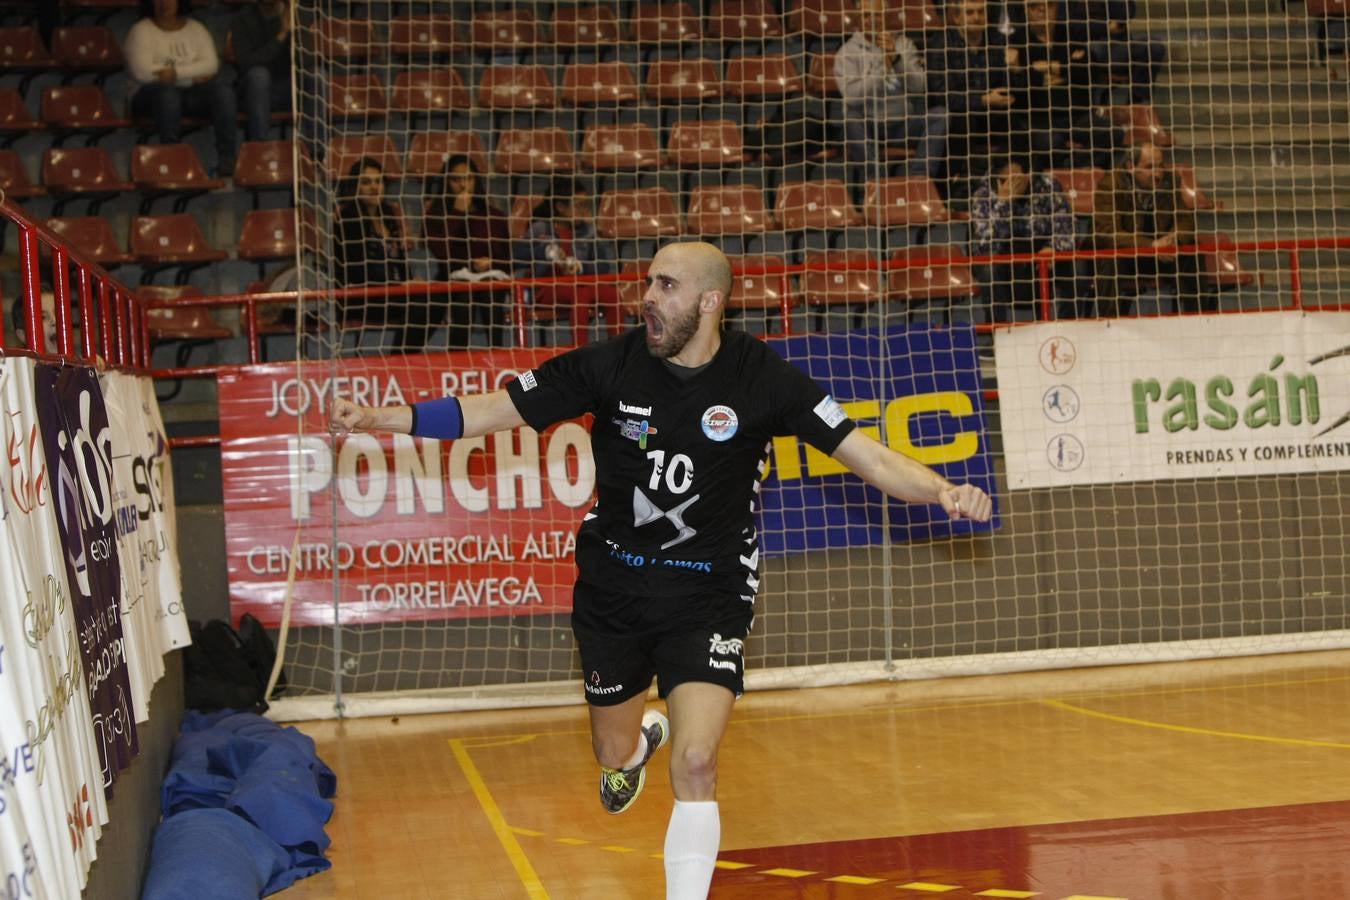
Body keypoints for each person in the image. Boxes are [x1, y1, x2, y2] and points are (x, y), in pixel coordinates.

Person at [328, 240, 994, 900]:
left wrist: (941, 491)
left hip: (710, 589)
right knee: (611, 756)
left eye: (666, 286)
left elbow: (870, 458)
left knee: (698, 761)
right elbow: (493, 410)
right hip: (615, 585)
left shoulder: (765, 379)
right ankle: (638, 745)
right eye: (648, 282)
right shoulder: (609, 365)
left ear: (709, 302)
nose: (647, 296)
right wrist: (383, 417)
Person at [1091, 141, 1211, 315]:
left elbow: (1185, 220)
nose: (1157, 174)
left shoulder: (1170, 180)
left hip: (1162, 254)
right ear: (1131, 166)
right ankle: (1108, 321)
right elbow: (1109, 233)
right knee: (1109, 257)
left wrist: (1173, 239)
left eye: (1160, 166)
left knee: (1192, 250)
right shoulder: (1109, 185)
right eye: (1149, 167)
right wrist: (1152, 245)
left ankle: (1199, 317)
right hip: (1128, 255)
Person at [834, 0, 948, 177]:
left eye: (877, 15)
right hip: (869, 125)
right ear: (858, 18)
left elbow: (919, 87)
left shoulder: (904, 44)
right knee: (851, 118)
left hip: (903, 123)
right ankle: (877, 183)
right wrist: (882, 68)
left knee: (940, 115)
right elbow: (851, 97)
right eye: (866, 15)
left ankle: (918, 179)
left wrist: (895, 59)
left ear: (886, 16)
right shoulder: (846, 52)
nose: (872, 20)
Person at [124, 0, 239, 176]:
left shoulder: (195, 28)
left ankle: (228, 161)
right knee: (167, 93)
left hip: (189, 94)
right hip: (147, 97)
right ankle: (172, 160)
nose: (164, 4)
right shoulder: (140, 31)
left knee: (222, 91)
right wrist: (191, 74)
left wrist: (176, 73)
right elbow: (143, 72)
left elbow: (211, 65)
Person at [925, 0, 1027, 196]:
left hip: (993, 111)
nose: (976, 17)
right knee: (962, 124)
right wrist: (982, 99)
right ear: (956, 17)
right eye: (970, 12)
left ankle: (1015, 185)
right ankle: (947, 190)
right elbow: (941, 95)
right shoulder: (940, 44)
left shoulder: (998, 40)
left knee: (1016, 124)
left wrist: (1016, 69)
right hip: (960, 114)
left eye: (980, 12)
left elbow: (1018, 88)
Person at [1012, 0, 1119, 170]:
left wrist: (1052, 68)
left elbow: (1090, 69)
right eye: (1035, 6)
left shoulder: (1070, 34)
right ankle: (1063, 176)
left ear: (1057, 8)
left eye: (1049, 5)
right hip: (1037, 120)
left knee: (1113, 133)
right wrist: (1066, 70)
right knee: (1051, 143)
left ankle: (1075, 168)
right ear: (1026, 10)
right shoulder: (1015, 41)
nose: (1043, 10)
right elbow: (1020, 82)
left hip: (1076, 116)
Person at [515, 176, 622, 344]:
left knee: (612, 294)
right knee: (581, 294)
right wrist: (546, 251)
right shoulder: (541, 227)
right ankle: (580, 352)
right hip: (547, 288)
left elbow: (603, 266)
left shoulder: (588, 232)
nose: (583, 209)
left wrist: (580, 267)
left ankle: (619, 349)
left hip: (581, 285)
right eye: (578, 205)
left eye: (585, 205)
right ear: (560, 207)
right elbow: (517, 254)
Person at [422, 154, 513, 349]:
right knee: (464, 293)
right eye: (456, 179)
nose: (463, 185)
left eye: (469, 178)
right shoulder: (436, 215)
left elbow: (508, 259)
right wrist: (458, 214)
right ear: (447, 182)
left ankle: (497, 353)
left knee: (489, 289)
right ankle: (457, 356)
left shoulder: (494, 216)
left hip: (491, 278)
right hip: (452, 280)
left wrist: (490, 263)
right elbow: (443, 255)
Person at [970, 156, 1077, 321]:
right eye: (1005, 180)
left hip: (1041, 253)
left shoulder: (1048, 186)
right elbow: (985, 243)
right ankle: (997, 332)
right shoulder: (983, 194)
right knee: (987, 267)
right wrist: (1004, 203)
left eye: (1016, 180)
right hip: (1004, 258)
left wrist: (1054, 248)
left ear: (1028, 175)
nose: (1011, 185)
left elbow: (1067, 227)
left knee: (1075, 264)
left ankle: (1066, 326)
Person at [333, 157, 411, 341]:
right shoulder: (346, 219)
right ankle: (400, 357)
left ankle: (401, 357)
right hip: (361, 296)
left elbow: (399, 258)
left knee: (430, 299)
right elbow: (358, 270)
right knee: (420, 305)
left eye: (378, 181)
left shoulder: (388, 214)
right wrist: (400, 286)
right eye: (367, 182)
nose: (375, 187)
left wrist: (410, 281)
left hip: (389, 292)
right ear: (355, 187)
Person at [227, 0, 292, 143]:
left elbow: (309, 59)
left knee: (316, 75)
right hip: (252, 92)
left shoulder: (295, 14)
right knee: (259, 75)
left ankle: (316, 152)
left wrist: (293, 33)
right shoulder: (241, 19)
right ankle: (259, 146)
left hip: (289, 90)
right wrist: (282, 35)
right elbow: (246, 61)